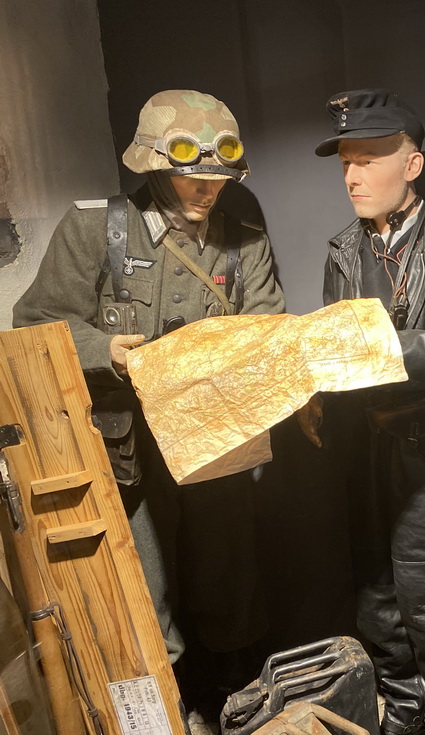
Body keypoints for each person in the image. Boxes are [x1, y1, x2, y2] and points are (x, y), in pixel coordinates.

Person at [12, 90, 285, 686]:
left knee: (228, 572)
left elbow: (267, 327)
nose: (208, 191)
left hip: (215, 439)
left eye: (218, 179)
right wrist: (102, 351)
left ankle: (232, 702)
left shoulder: (244, 240)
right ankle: (167, 714)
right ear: (155, 166)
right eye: (192, 178)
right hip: (127, 446)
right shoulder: (94, 228)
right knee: (141, 582)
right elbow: (37, 320)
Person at [302, 88, 425, 735]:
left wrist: (369, 350)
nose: (354, 176)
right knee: (377, 603)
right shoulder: (345, 249)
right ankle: (400, 711)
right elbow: (329, 333)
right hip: (361, 450)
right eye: (346, 162)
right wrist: (311, 387)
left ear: (413, 165)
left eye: (370, 159)